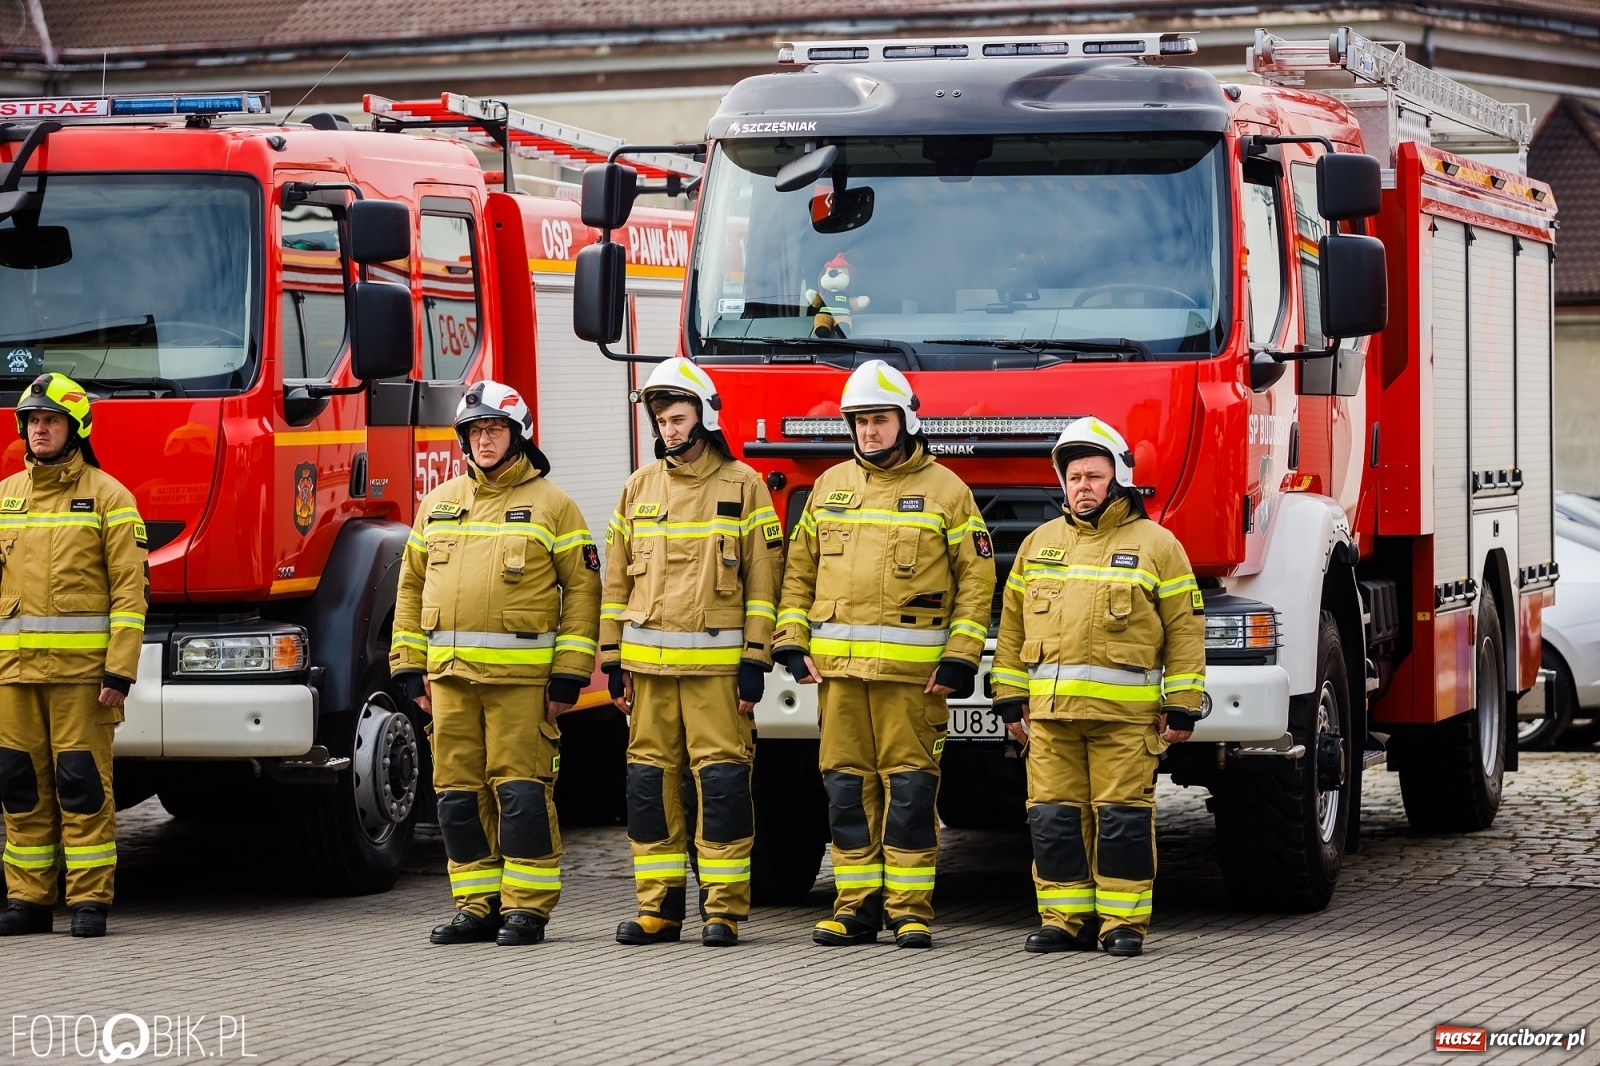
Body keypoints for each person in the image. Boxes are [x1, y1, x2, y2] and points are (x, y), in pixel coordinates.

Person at [774, 360, 994, 950]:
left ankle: (910, 911)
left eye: (879, 419)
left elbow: (976, 581)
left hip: (913, 681)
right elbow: (798, 573)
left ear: (905, 421)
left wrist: (961, 655)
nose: (869, 432)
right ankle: (855, 909)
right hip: (840, 678)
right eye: (860, 421)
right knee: (846, 792)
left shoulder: (948, 491)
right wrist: (791, 641)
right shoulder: (829, 487)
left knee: (911, 793)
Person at [391, 380, 600, 947]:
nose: (484, 440)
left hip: (521, 684)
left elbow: (584, 591)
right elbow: (410, 587)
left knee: (522, 795)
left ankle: (527, 908)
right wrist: (408, 663)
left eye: (495, 430)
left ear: (518, 435)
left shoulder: (554, 506)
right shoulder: (438, 503)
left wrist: (570, 671)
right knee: (457, 796)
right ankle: (475, 905)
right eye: (475, 431)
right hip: (450, 682)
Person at [990, 416, 1205, 958]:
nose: (1082, 486)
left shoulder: (1158, 546)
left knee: (1122, 820)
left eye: (1093, 476)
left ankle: (1122, 923)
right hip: (1051, 720)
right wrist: (1009, 697)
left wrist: (1182, 704)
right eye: (1074, 477)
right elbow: (1012, 627)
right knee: (1053, 819)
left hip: (1124, 721)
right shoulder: (1039, 544)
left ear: (1118, 479)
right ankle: (1063, 921)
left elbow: (1184, 630)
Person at [603, 358, 782, 948]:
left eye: (678, 418)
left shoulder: (743, 485)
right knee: (649, 788)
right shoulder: (638, 487)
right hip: (649, 675)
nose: (670, 429)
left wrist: (755, 660)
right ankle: (658, 909)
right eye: (662, 421)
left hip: (717, 674)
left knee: (723, 786)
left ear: (704, 417)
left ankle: (723, 910)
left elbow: (765, 582)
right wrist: (612, 660)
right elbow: (615, 584)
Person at [0, 373, 147, 939]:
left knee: (82, 786)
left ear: (76, 428)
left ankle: (89, 900)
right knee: (19, 786)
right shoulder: (6, 496)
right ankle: (28, 901)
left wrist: (120, 671)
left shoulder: (110, 498)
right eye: (33, 421)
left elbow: (130, 594)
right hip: (13, 676)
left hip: (83, 680)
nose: (40, 430)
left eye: (51, 420)